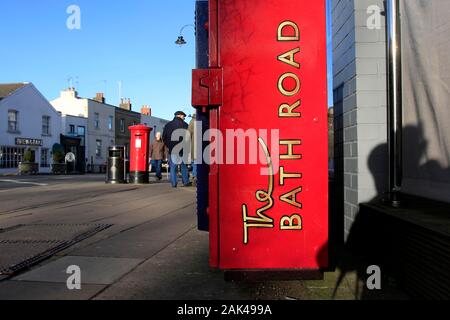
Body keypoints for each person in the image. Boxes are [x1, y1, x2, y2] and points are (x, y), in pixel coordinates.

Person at [163, 111, 191, 188]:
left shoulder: (168, 125)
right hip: (182, 149)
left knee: (173, 167)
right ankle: (185, 182)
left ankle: (174, 183)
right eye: (183, 116)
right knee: (184, 166)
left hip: (173, 149)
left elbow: (164, 137)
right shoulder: (185, 125)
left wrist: (169, 145)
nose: (184, 117)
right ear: (179, 115)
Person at [188, 113, 198, 186]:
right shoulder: (206, 118)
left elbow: (188, 134)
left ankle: (195, 176)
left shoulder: (192, 121)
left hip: (195, 146)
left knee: (195, 162)